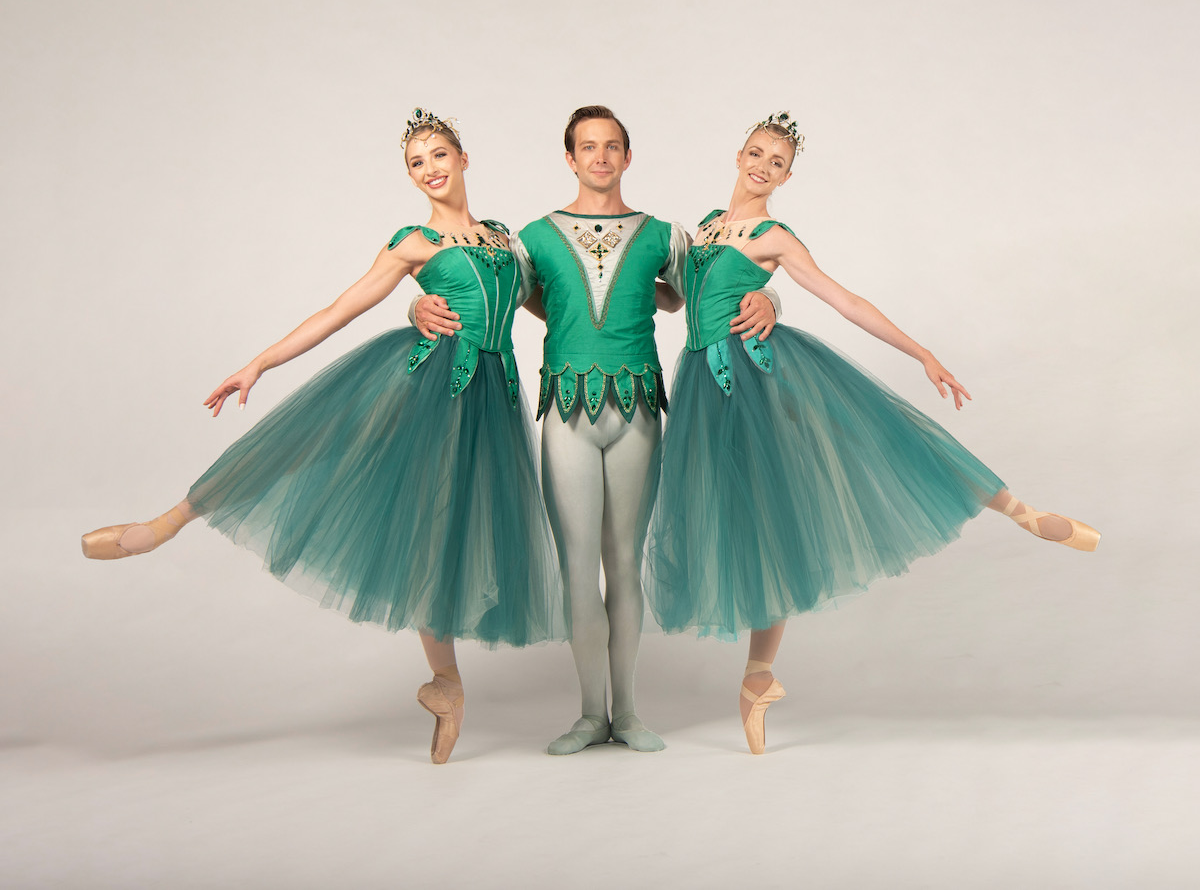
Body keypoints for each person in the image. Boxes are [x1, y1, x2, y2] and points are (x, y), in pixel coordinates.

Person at [81, 109, 565, 764]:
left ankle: (446, 683)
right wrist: (260, 362)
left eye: (439, 155)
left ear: (464, 158)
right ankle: (168, 521)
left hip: (492, 399)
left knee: (442, 534)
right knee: (313, 443)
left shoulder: (506, 239)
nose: (430, 170)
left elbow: (550, 306)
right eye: (417, 163)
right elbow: (338, 311)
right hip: (425, 382)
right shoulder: (412, 244)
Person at [646, 112, 1099, 755]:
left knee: (870, 442)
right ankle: (759, 678)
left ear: (788, 176)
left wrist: (922, 354)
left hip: (757, 375)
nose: (762, 166)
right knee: (754, 525)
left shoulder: (774, 236)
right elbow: (673, 299)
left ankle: (1018, 509)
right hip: (702, 384)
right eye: (756, 153)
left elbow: (845, 300)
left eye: (776, 162)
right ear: (738, 154)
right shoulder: (704, 228)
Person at [414, 105, 780, 754]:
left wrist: (772, 301)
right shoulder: (530, 236)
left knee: (624, 563)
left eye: (612, 146)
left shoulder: (665, 234)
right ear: (570, 157)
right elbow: (492, 293)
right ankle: (590, 714)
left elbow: (716, 281)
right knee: (579, 568)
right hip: (566, 411)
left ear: (627, 156)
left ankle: (629, 712)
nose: (600, 157)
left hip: (638, 408)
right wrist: (417, 302)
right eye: (588, 147)